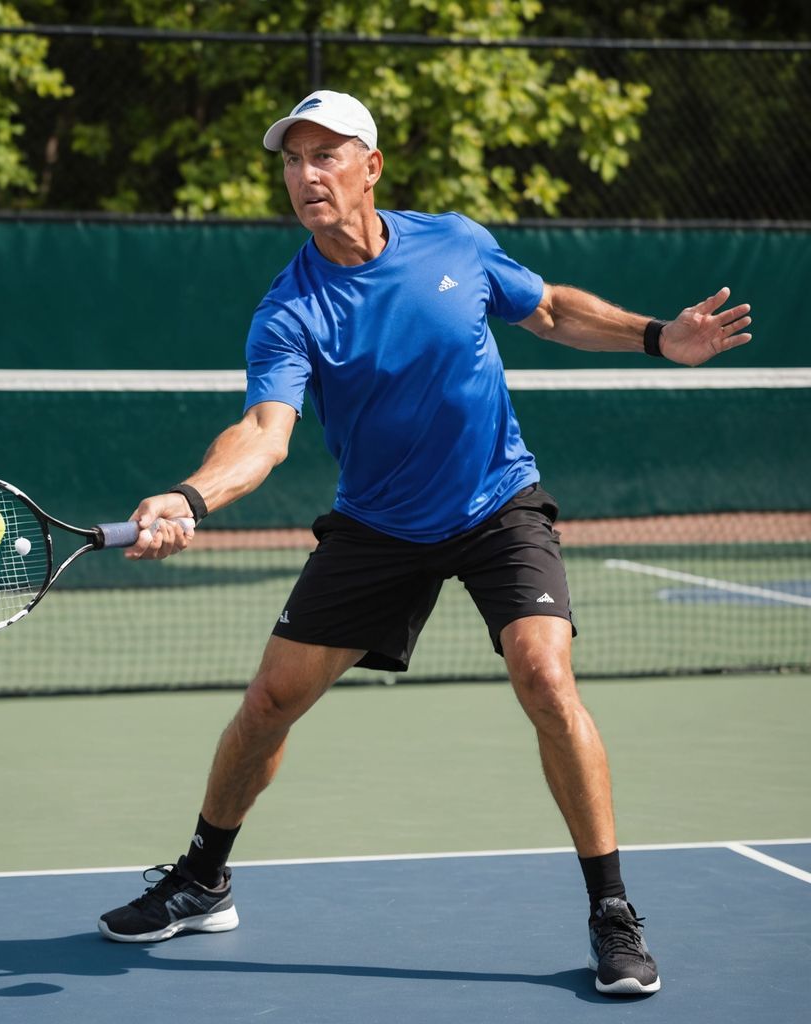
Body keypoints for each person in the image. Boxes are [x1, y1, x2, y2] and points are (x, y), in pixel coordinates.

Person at [96, 90, 752, 996]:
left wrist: (654, 336)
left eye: (326, 155)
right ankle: (204, 878)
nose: (305, 175)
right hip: (379, 524)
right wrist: (188, 497)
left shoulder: (454, 242)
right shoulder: (289, 310)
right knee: (269, 705)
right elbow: (264, 430)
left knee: (546, 678)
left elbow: (551, 309)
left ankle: (612, 912)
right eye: (292, 160)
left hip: (496, 501)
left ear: (371, 167)